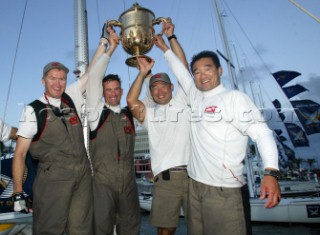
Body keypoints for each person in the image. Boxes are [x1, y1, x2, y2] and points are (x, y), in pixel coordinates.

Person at [155, 36, 281, 234]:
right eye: (197, 71)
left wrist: (271, 172)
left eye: (208, 69)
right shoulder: (195, 96)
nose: (202, 75)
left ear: (219, 71)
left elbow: (262, 133)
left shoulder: (234, 99)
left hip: (225, 191)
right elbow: (180, 72)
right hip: (194, 187)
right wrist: (164, 47)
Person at [11, 26, 110, 234]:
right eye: (52, 78)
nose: (58, 83)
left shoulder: (70, 97)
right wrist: (18, 193)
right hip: (53, 179)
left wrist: (103, 42)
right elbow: (19, 153)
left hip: (82, 176)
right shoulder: (33, 110)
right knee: (49, 229)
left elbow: (91, 73)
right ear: (43, 81)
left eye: (62, 78)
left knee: (82, 229)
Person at [126, 19, 190, 235]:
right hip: (165, 180)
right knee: (165, 231)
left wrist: (167, 41)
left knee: (203, 228)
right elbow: (132, 102)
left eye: (164, 86)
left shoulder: (183, 101)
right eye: (155, 88)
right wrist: (143, 73)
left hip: (196, 176)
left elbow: (183, 68)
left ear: (172, 87)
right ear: (151, 92)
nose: (160, 91)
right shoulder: (150, 115)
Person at [86, 23, 141, 235]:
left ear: (121, 90)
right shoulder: (96, 112)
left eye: (116, 89)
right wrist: (111, 48)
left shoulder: (129, 113)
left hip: (129, 185)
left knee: (131, 230)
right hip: (102, 186)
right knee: (102, 230)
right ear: (102, 93)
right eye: (108, 90)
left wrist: (143, 72)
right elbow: (93, 78)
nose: (113, 93)